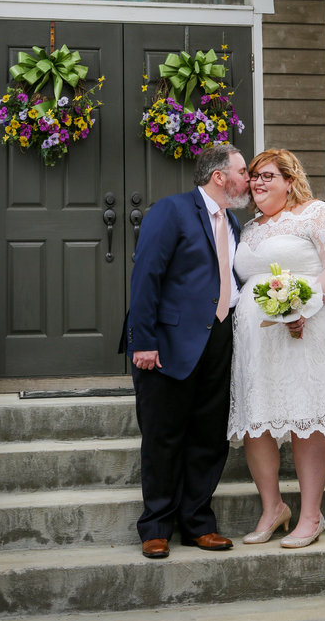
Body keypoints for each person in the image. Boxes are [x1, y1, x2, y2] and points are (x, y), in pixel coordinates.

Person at [228, 149, 325, 548]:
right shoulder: (250, 227)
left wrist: (304, 307)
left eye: (268, 176)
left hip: (306, 332)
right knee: (257, 422)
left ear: (290, 180)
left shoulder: (318, 214)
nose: (258, 182)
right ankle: (273, 507)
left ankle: (311, 516)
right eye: (254, 176)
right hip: (258, 341)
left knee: (304, 418)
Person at [122, 145, 250, 559]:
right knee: (163, 436)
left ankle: (197, 522)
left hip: (219, 340)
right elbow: (146, 276)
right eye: (243, 171)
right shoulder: (171, 210)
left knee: (209, 436)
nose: (249, 179)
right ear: (219, 176)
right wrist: (142, 340)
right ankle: (156, 526)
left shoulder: (232, 221)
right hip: (167, 343)